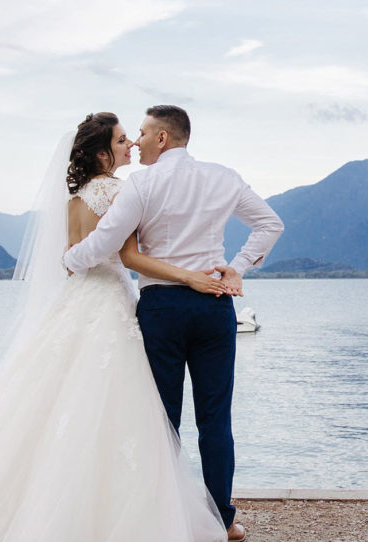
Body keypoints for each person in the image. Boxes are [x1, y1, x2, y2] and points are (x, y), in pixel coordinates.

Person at [0, 112, 231, 540]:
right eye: (123, 139)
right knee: (120, 403)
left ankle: (42, 496)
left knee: (55, 398)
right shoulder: (119, 191)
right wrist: (190, 275)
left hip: (79, 301)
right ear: (104, 151)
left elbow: (71, 261)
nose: (131, 145)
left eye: (132, 137)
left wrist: (81, 261)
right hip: (111, 299)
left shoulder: (74, 199)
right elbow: (128, 256)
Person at [63, 105, 284, 542]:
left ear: (162, 138)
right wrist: (236, 267)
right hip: (215, 306)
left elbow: (108, 241)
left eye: (142, 133)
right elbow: (270, 224)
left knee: (162, 419)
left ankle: (164, 517)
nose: (138, 141)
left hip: (161, 308)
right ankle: (222, 521)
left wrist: (70, 259)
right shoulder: (224, 176)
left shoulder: (143, 183)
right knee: (216, 420)